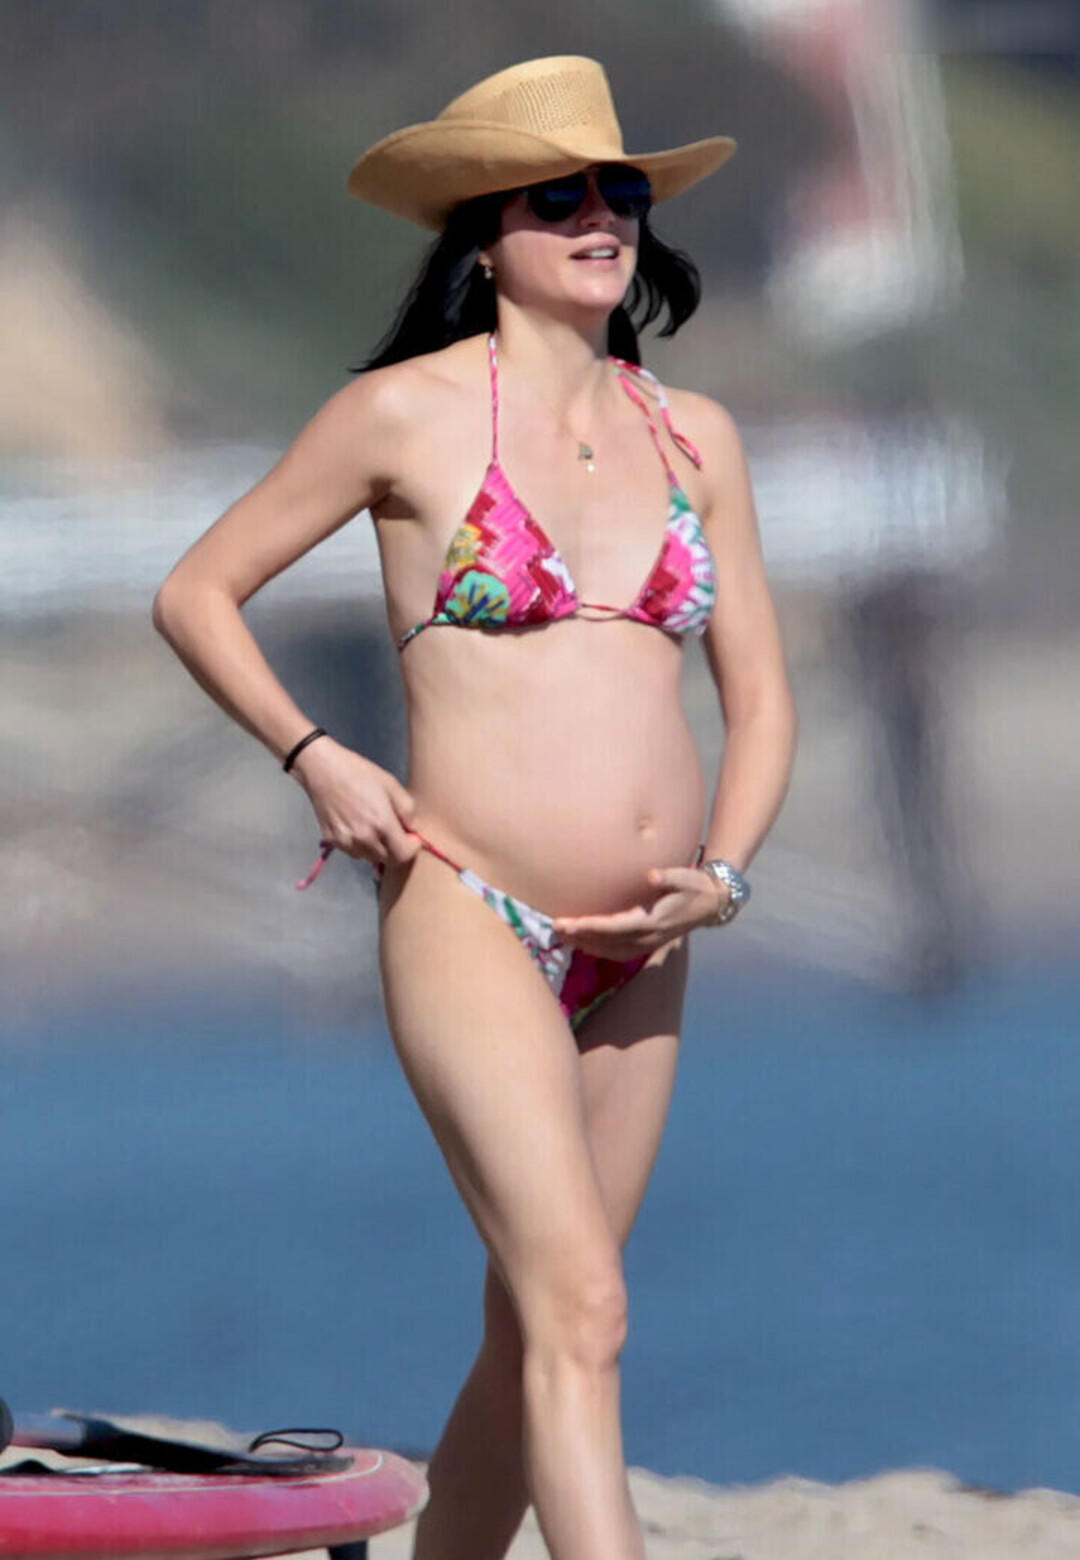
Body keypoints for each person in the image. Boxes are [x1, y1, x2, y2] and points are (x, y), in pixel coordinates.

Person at [152, 54, 798, 1560]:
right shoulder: (403, 415)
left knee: (536, 1328)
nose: (601, 218)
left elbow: (763, 699)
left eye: (620, 192)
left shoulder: (697, 436)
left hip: (648, 944)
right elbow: (197, 592)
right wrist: (317, 754)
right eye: (557, 197)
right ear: (484, 237)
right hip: (469, 909)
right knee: (585, 1308)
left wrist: (724, 876)